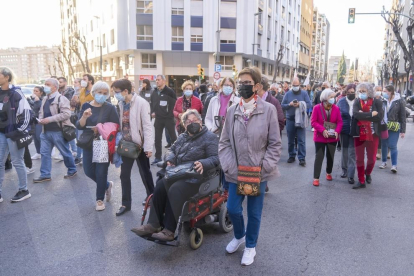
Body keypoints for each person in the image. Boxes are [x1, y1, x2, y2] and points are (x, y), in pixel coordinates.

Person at [219, 67, 281, 266]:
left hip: (258, 173)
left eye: (247, 82)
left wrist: (264, 168)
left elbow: (275, 143)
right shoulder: (232, 111)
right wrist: (229, 166)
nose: (242, 86)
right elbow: (224, 142)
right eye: (240, 82)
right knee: (233, 208)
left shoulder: (268, 110)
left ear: (256, 86)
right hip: (236, 172)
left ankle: (251, 245)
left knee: (254, 213)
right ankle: (239, 236)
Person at [131, 109, 219, 241]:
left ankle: (169, 230)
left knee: (175, 189)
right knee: (160, 185)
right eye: (188, 121)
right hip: (179, 172)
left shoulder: (210, 137)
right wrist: (170, 159)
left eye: (195, 120)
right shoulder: (183, 136)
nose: (192, 123)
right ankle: (153, 225)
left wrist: (203, 163)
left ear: (200, 122)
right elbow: (171, 149)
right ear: (184, 124)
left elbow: (216, 158)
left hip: (197, 177)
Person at [112, 79, 155, 216]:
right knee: (124, 175)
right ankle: (126, 204)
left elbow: (148, 126)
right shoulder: (120, 103)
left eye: (117, 92)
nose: (115, 95)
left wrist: (148, 147)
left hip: (140, 145)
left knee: (145, 173)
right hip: (126, 145)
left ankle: (152, 197)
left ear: (126, 91)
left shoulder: (141, 103)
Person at [76, 81, 119, 211]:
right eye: (99, 92)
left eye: (105, 93)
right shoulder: (86, 106)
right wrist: (84, 116)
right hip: (88, 142)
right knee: (88, 171)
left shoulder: (110, 107)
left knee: (101, 172)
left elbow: (116, 126)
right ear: (94, 93)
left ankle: (99, 200)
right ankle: (106, 185)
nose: (102, 95)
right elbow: (79, 125)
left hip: (102, 142)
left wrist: (101, 128)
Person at [33, 78, 77, 183]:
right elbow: (41, 112)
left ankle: (72, 170)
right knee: (44, 153)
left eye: (48, 84)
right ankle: (45, 174)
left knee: (65, 152)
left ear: (55, 87)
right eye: (45, 84)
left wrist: (49, 119)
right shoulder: (44, 99)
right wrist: (41, 119)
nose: (45, 86)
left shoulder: (62, 99)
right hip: (45, 131)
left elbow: (67, 114)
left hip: (58, 131)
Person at [0, 67, 32, 203]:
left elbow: (26, 113)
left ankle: (23, 190)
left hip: (13, 132)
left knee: (17, 161)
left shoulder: (16, 93)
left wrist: (18, 131)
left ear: (7, 77)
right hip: (1, 132)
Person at [351, 82, 384, 189]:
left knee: (372, 159)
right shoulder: (357, 101)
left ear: (369, 92)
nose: (361, 93)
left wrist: (363, 115)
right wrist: (370, 114)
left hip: (373, 134)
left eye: (363, 91)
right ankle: (361, 180)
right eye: (359, 91)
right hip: (359, 134)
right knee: (359, 159)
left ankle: (368, 172)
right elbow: (356, 115)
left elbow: (379, 117)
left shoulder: (377, 102)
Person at [310, 89, 343, 186]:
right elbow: (313, 122)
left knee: (330, 156)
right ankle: (316, 178)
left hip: (332, 137)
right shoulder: (317, 108)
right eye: (331, 97)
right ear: (325, 98)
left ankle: (329, 172)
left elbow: (340, 122)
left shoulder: (336, 108)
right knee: (319, 157)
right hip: (320, 136)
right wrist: (322, 130)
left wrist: (337, 131)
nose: (333, 99)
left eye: (333, 97)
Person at [281, 77, 312, 166]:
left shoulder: (304, 93)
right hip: (290, 119)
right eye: (294, 85)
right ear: (291, 85)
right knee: (290, 140)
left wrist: (300, 104)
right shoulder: (288, 94)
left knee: (301, 140)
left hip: (300, 119)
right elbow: (282, 105)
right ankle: (292, 155)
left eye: (297, 85)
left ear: (299, 85)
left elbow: (309, 104)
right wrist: (289, 104)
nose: (295, 86)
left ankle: (302, 158)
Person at [150, 75, 177, 164]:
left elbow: (174, 105)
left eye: (158, 80)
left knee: (173, 138)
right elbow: (152, 104)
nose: (157, 81)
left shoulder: (170, 92)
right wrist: (152, 112)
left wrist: (170, 114)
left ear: (164, 81)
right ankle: (158, 157)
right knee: (157, 139)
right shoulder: (154, 92)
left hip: (168, 119)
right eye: (156, 80)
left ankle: (177, 155)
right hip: (158, 119)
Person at [379, 85, 406, 173]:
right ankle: (384, 162)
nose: (383, 93)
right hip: (383, 125)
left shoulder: (399, 101)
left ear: (390, 92)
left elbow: (403, 116)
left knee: (392, 145)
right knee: (384, 144)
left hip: (394, 126)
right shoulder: (382, 100)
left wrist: (402, 131)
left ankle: (394, 165)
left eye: (385, 91)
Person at [337, 84, 357, 184]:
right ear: (346, 92)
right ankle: (344, 170)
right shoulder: (341, 102)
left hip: (354, 131)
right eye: (349, 92)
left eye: (352, 92)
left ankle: (351, 175)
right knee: (345, 152)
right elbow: (336, 115)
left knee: (352, 153)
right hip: (344, 130)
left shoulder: (358, 102)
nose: (350, 94)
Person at [30, 86, 46, 160]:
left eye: (36, 91)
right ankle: (38, 152)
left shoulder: (43, 99)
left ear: (41, 92)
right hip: (34, 120)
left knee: (39, 137)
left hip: (40, 120)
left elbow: (40, 109)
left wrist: (37, 101)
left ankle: (44, 151)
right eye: (34, 91)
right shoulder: (32, 99)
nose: (34, 92)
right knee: (35, 137)